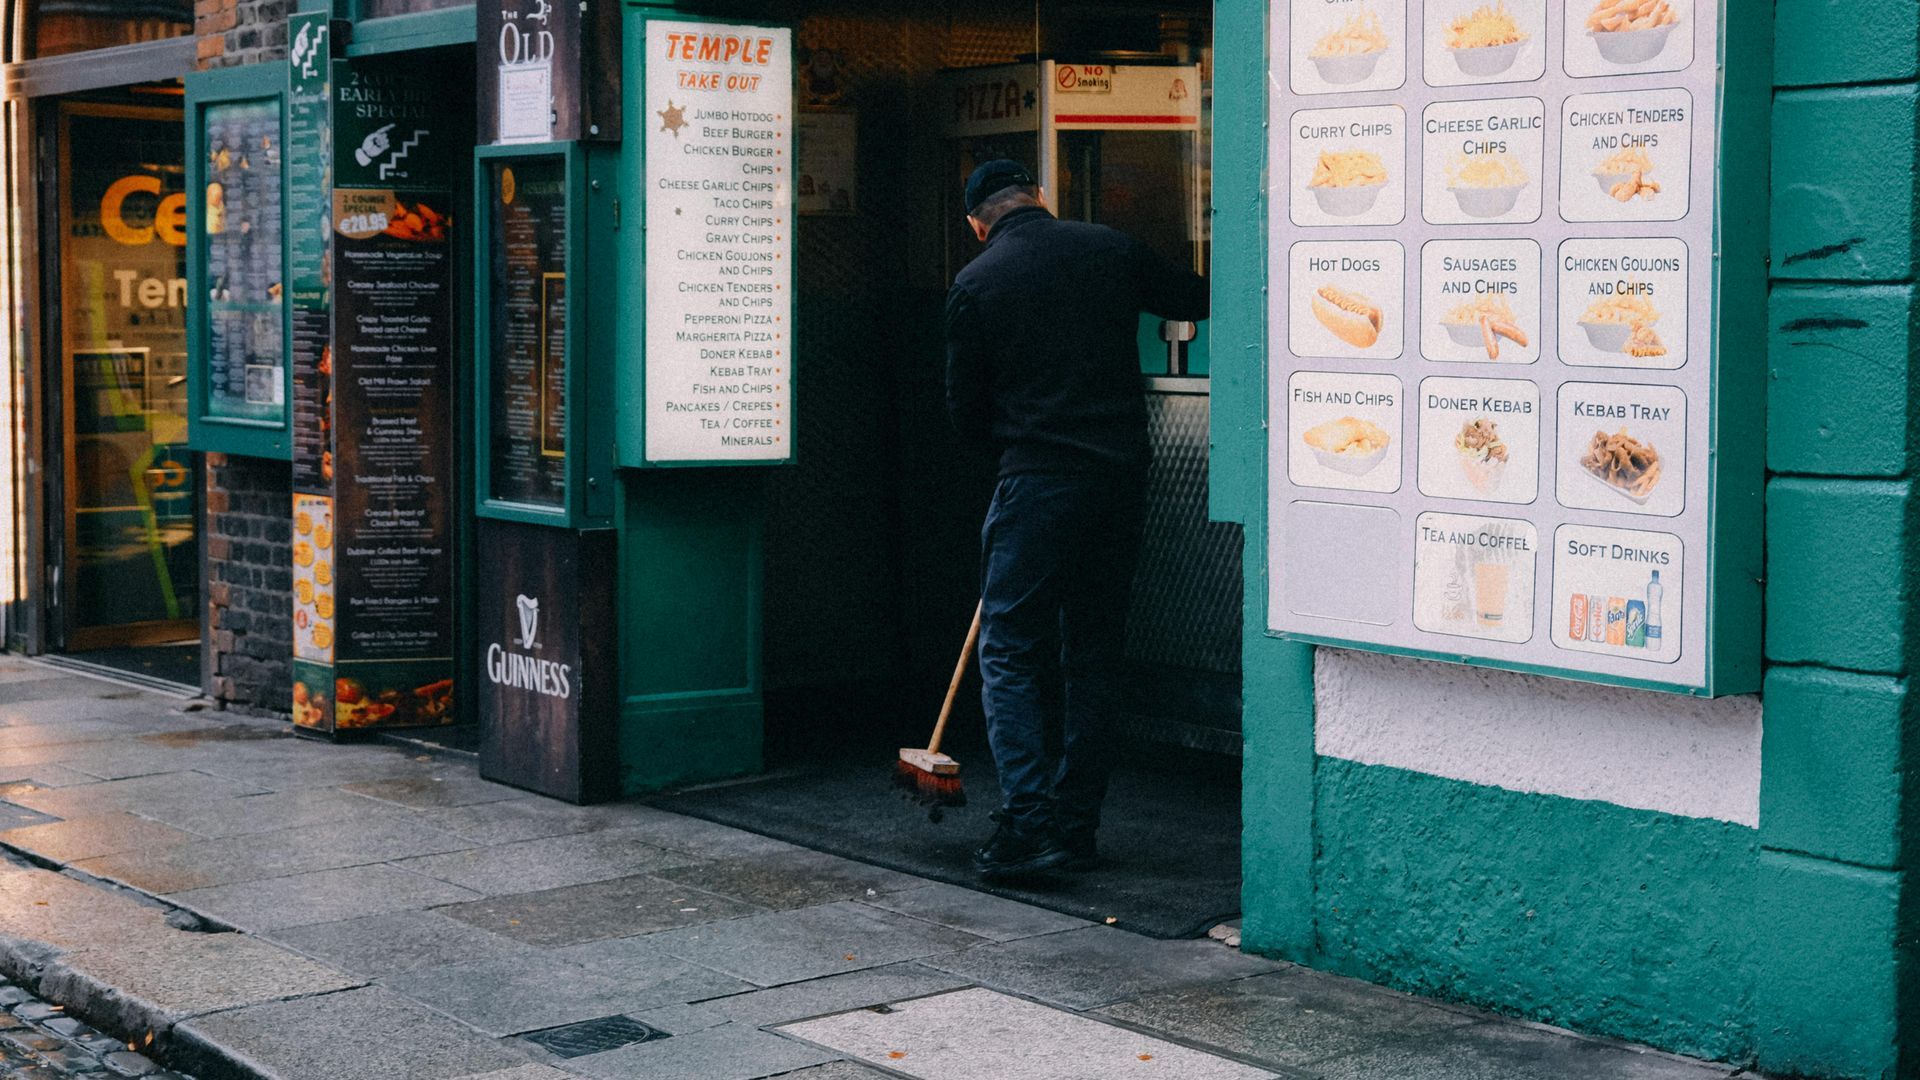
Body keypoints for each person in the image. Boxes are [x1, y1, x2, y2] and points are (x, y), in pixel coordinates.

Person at [944, 159, 1209, 880]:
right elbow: (1197, 296)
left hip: (1036, 482)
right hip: (1119, 479)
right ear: (1040, 198)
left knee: (1011, 648)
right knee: (1092, 652)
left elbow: (965, 415)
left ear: (978, 224)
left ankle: (1028, 825)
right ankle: (1074, 822)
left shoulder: (976, 282)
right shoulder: (1107, 247)